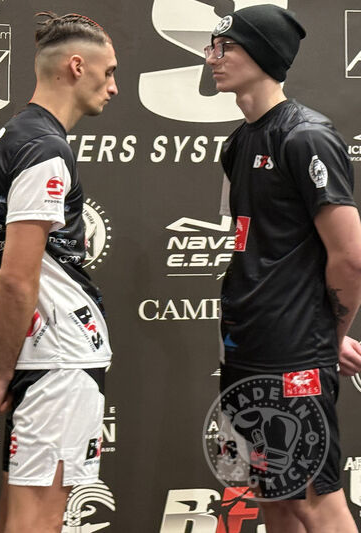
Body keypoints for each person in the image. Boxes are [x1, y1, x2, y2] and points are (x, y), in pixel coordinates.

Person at [0, 12, 118, 533]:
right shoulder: (44, 147)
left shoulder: (10, 137)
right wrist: (2, 368)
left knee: (15, 515)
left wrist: (2, 361)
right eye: (108, 71)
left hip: (38, 354)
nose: (114, 87)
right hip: (59, 356)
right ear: (77, 66)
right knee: (40, 519)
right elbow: (15, 276)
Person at [205, 5, 361, 532]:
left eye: (225, 47)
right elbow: (255, 246)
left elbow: (350, 258)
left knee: (316, 498)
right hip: (247, 347)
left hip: (294, 350)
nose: (212, 57)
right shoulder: (238, 142)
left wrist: (326, 333)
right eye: (214, 46)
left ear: (263, 55)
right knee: (272, 491)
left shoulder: (307, 136)